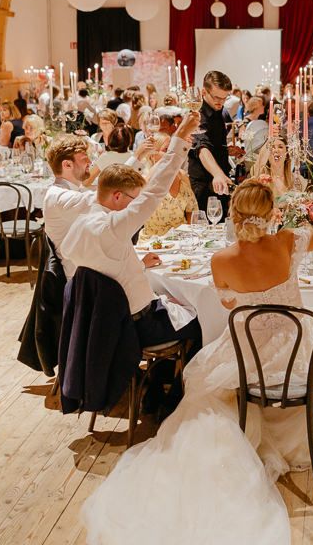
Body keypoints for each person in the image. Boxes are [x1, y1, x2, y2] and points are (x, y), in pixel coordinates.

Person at [79, 172, 313, 543]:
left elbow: (228, 304)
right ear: (271, 214)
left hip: (250, 356)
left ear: (233, 216)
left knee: (208, 386)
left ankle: (252, 434)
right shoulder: (289, 242)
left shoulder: (221, 260)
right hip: (300, 352)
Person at [59, 112, 205, 408]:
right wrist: (179, 140)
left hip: (105, 322)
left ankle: (152, 389)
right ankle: (175, 400)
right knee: (202, 322)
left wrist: (136, 265)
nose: (136, 206)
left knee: (172, 302)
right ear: (116, 197)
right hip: (136, 325)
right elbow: (155, 191)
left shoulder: (80, 227)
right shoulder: (112, 228)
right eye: (132, 199)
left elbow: (103, 273)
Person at [42, 135, 99, 278]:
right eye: (84, 159)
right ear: (67, 165)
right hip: (82, 279)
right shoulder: (60, 197)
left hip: (90, 267)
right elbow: (112, 198)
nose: (90, 162)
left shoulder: (71, 191)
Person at [188, 70, 235, 222]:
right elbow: (202, 148)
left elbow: (213, 143)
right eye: (216, 97)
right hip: (203, 185)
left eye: (224, 98)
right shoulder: (197, 115)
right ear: (203, 92)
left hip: (220, 179)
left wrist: (225, 149)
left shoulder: (219, 110)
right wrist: (218, 173)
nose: (220, 102)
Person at [138, 134, 199, 239]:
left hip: (182, 241)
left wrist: (191, 237)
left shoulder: (182, 175)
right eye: (166, 150)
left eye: (172, 149)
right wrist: (165, 162)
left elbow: (192, 210)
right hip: (153, 242)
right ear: (153, 155)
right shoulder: (145, 179)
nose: (171, 154)